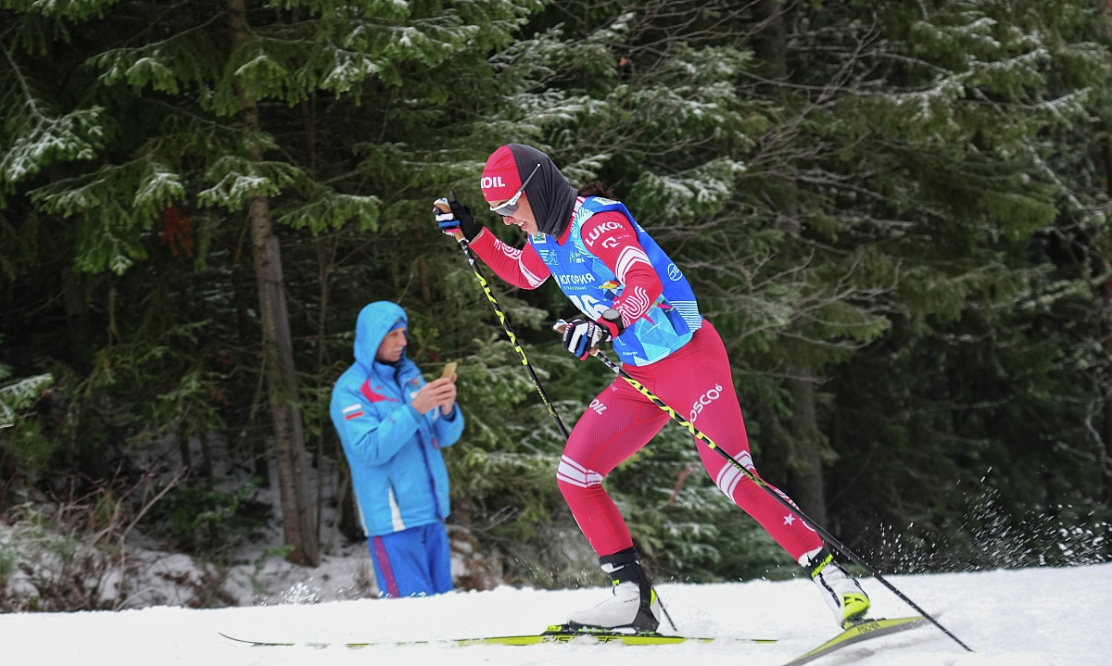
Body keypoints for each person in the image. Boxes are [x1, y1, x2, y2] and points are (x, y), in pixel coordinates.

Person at [433, 144, 869, 631]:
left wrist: (606, 324)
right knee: (576, 474)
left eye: (511, 205)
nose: (508, 218)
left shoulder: (595, 223)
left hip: (690, 358)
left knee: (732, 476)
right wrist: (474, 234)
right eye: (498, 211)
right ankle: (633, 600)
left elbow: (643, 279)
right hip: (640, 376)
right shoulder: (547, 240)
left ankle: (835, 578)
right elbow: (523, 273)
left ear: (536, 189)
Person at [329, 301, 464, 598]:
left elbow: (443, 437)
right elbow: (371, 449)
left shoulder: (410, 377)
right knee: (410, 612)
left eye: (403, 333)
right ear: (373, 338)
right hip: (394, 521)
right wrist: (415, 409)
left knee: (443, 607)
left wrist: (446, 408)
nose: (403, 341)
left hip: (431, 512)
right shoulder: (350, 390)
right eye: (393, 335)